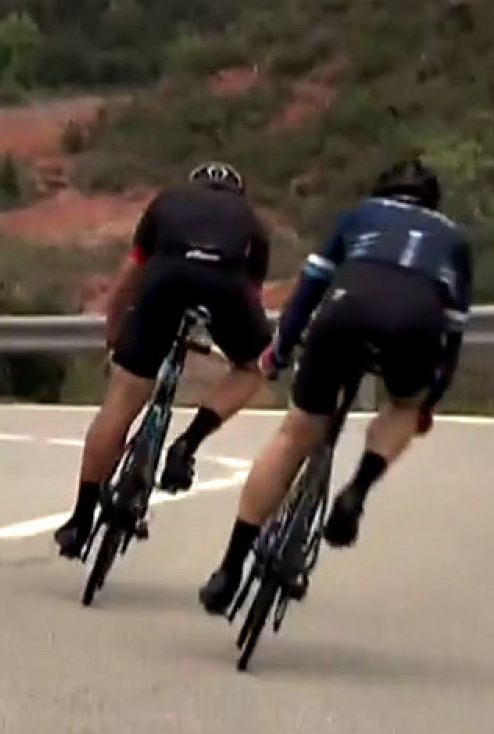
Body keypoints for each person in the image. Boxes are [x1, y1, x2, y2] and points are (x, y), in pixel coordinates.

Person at [197, 157, 474, 615]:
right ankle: (357, 490)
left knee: (293, 436)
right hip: (416, 322)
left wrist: (280, 351)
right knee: (405, 407)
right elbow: (453, 333)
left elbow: (309, 289)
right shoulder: (455, 241)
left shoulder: (360, 215)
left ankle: (228, 570)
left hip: (347, 311)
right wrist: (427, 403)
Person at [54, 161, 274, 560]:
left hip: (165, 283)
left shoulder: (166, 204)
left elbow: (128, 279)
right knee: (250, 369)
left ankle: (80, 519)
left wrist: (115, 337)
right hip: (224, 288)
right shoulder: (252, 223)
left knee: (120, 403)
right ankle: (186, 445)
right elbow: (250, 296)